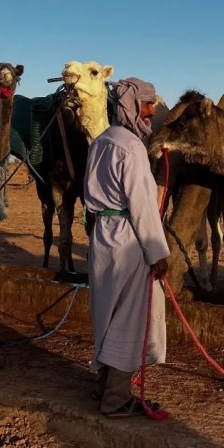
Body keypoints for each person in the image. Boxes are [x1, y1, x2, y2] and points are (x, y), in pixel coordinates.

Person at [83, 78, 170, 418]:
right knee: (129, 319)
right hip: (129, 237)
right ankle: (115, 400)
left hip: (102, 235)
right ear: (132, 106)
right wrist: (157, 253)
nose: (151, 111)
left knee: (107, 313)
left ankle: (103, 386)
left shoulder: (100, 142)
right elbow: (143, 206)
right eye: (147, 104)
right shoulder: (132, 148)